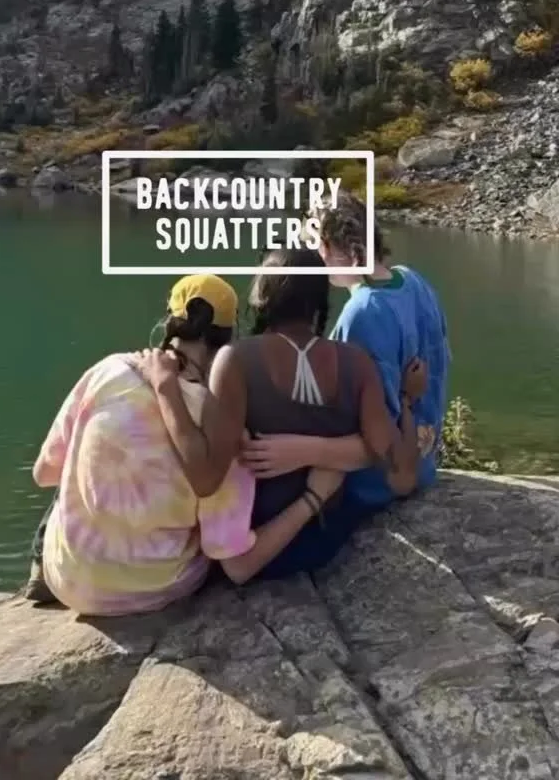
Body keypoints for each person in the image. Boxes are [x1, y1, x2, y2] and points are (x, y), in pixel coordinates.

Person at [27, 273, 343, 614]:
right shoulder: (223, 425)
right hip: (154, 589)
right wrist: (313, 497)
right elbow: (237, 564)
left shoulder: (107, 370)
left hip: (67, 579)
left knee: (73, 463)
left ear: (170, 324)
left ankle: (45, 568)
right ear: (227, 338)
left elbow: (44, 473)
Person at [132, 248, 422, 579]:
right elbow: (402, 476)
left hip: (258, 548)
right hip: (326, 541)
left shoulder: (235, 360)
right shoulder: (357, 363)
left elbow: (205, 479)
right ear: (320, 300)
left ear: (263, 296)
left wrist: (166, 388)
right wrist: (406, 400)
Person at [242, 195, 450, 512]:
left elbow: (372, 429)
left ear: (328, 248)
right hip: (423, 461)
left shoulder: (362, 312)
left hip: (377, 482)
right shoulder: (413, 280)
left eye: (312, 246)